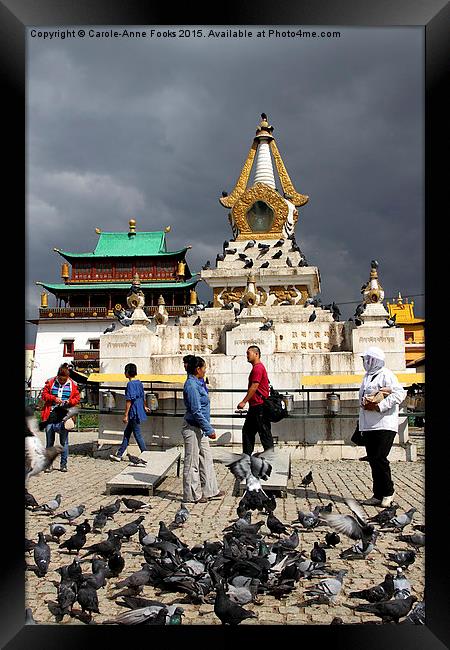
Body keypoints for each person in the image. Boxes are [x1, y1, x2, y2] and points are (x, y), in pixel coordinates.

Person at [358, 346, 407, 507]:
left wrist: (380, 406)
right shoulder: (367, 376)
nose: (364, 362)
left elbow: (399, 393)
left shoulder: (386, 374)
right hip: (369, 425)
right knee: (373, 460)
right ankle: (378, 494)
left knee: (380, 458)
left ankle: (388, 492)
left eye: (366, 359)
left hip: (384, 424)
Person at [182, 356, 223, 503]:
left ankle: (210, 490)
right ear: (198, 369)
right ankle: (192, 495)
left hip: (201, 428)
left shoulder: (198, 383)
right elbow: (196, 411)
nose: (205, 370)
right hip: (193, 427)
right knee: (192, 462)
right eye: (204, 368)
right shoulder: (191, 386)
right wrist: (209, 428)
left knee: (206, 459)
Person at [41, 364, 80, 472]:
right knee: (49, 442)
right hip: (50, 416)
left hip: (64, 417)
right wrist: (53, 398)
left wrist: (69, 401)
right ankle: (49, 465)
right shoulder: (50, 382)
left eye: (64, 380)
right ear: (58, 376)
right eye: (61, 380)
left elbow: (77, 398)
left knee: (64, 442)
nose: (62, 382)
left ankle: (63, 464)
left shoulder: (73, 384)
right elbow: (43, 395)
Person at [237, 346, 273, 455]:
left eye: (249, 353)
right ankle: (247, 456)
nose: (247, 356)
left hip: (259, 406)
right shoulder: (257, 368)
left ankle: (271, 458)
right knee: (248, 432)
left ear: (256, 354)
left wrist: (244, 401)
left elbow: (254, 386)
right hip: (255, 406)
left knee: (264, 433)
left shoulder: (258, 368)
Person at [110, 363, 150, 461]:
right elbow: (142, 396)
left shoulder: (130, 384)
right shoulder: (139, 383)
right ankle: (119, 454)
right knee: (127, 433)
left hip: (133, 411)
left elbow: (129, 401)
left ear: (127, 372)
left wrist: (126, 415)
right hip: (139, 410)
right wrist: (145, 406)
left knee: (137, 434)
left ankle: (146, 454)